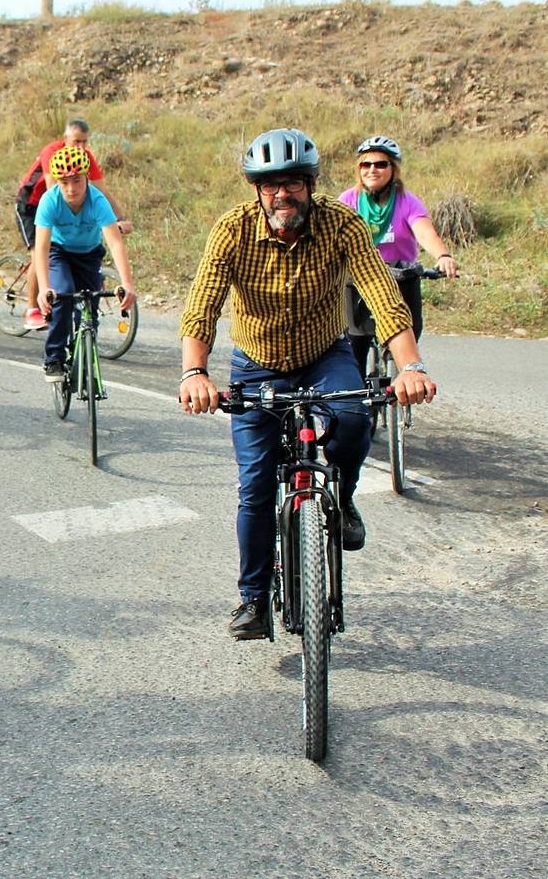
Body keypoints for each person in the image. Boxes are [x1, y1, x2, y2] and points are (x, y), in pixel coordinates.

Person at [177, 127, 438, 641]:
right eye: (270, 185)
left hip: (324, 354)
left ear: (311, 184)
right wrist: (195, 373)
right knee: (255, 484)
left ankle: (343, 494)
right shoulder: (231, 231)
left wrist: (409, 365)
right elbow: (201, 305)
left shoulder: (341, 225)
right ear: (256, 189)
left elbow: (383, 296)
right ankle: (252, 598)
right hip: (257, 363)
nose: (282, 195)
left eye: (293, 183)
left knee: (355, 417)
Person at [339, 135, 459, 376]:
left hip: (400, 276)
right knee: (353, 344)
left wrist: (443, 255)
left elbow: (425, 232)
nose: (372, 170)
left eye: (381, 164)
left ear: (393, 169)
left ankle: (402, 380)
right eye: (366, 164)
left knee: (410, 331)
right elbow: (332, 236)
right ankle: (357, 399)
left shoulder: (407, 201)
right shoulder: (348, 200)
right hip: (357, 278)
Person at [33, 146, 136, 382]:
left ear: (87, 178)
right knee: (63, 295)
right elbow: (42, 248)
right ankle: (54, 358)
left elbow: (115, 243)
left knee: (89, 310)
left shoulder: (97, 201)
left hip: (89, 255)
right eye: (65, 182)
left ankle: (84, 359)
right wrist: (44, 287)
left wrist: (127, 284)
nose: (71, 189)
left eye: (77, 181)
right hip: (59, 253)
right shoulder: (50, 201)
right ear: (58, 182)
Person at [17, 117, 131, 330]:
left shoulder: (85, 159)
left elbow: (101, 191)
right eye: (76, 141)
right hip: (34, 204)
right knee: (38, 252)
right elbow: (55, 188)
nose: (81, 146)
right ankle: (33, 307)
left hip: (64, 213)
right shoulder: (53, 151)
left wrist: (119, 218)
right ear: (65, 138)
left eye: (84, 142)